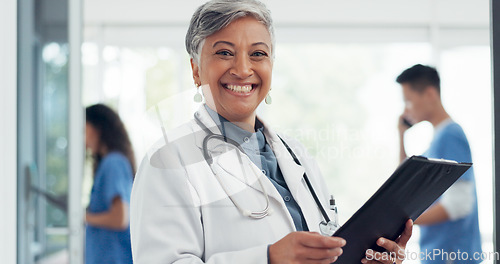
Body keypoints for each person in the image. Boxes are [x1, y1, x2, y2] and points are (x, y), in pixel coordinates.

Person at [130, 1, 413, 263]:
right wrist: (268, 258)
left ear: (271, 67)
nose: (243, 69)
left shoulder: (295, 154)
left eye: (258, 54)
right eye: (224, 53)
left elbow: (328, 247)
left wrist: (366, 257)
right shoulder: (168, 160)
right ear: (195, 70)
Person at [397, 64, 482, 263]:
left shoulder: (450, 136)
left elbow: (459, 205)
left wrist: (405, 223)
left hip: (452, 254)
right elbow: (404, 181)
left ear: (429, 94)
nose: (406, 109)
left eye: (408, 101)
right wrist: (401, 135)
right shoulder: (437, 141)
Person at [85, 104, 135, 264]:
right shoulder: (109, 163)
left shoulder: (113, 163)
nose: (82, 138)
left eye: (83, 130)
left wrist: (85, 217)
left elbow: (120, 218)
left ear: (98, 128)